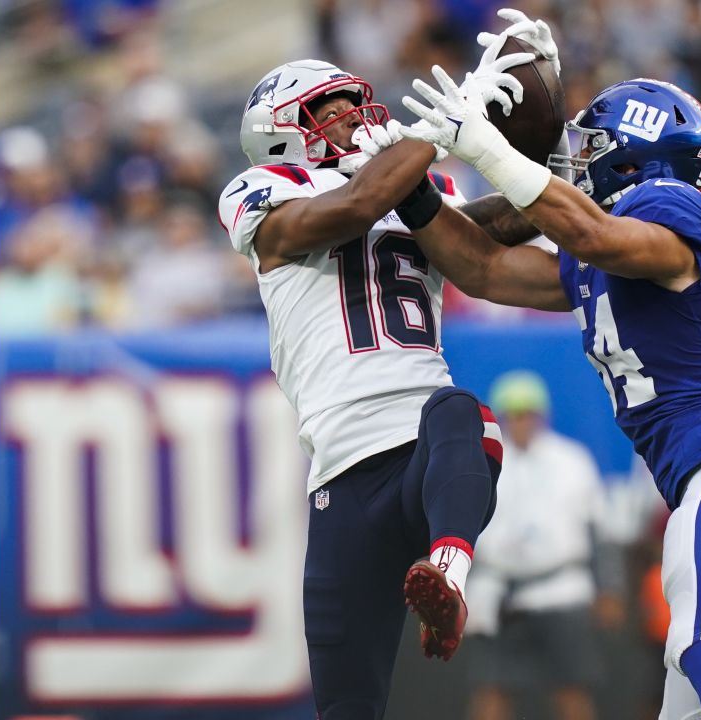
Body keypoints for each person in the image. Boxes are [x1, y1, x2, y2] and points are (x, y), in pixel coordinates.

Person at [357, 11, 701, 718]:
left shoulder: (670, 206)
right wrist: (414, 190)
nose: (576, 156)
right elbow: (486, 270)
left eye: (591, 145)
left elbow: (593, 230)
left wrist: (490, 150)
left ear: (634, 155)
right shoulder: (599, 258)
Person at [214, 34, 540, 719]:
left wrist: (538, 147)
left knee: (458, 409)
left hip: (426, 441)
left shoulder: (413, 184)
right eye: (328, 110)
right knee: (347, 707)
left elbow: (496, 227)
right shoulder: (265, 194)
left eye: (353, 105)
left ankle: (447, 573)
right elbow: (356, 209)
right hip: (342, 472)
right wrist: (435, 131)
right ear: (282, 136)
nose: (354, 119)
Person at [465, 370, 614, 720]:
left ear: (541, 415)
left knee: (572, 690)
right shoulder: (483, 463)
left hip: (561, 590)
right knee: (492, 692)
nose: (520, 422)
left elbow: (597, 529)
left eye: (528, 413)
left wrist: (609, 586)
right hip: (497, 592)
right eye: (513, 414)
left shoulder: (572, 461)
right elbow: (465, 533)